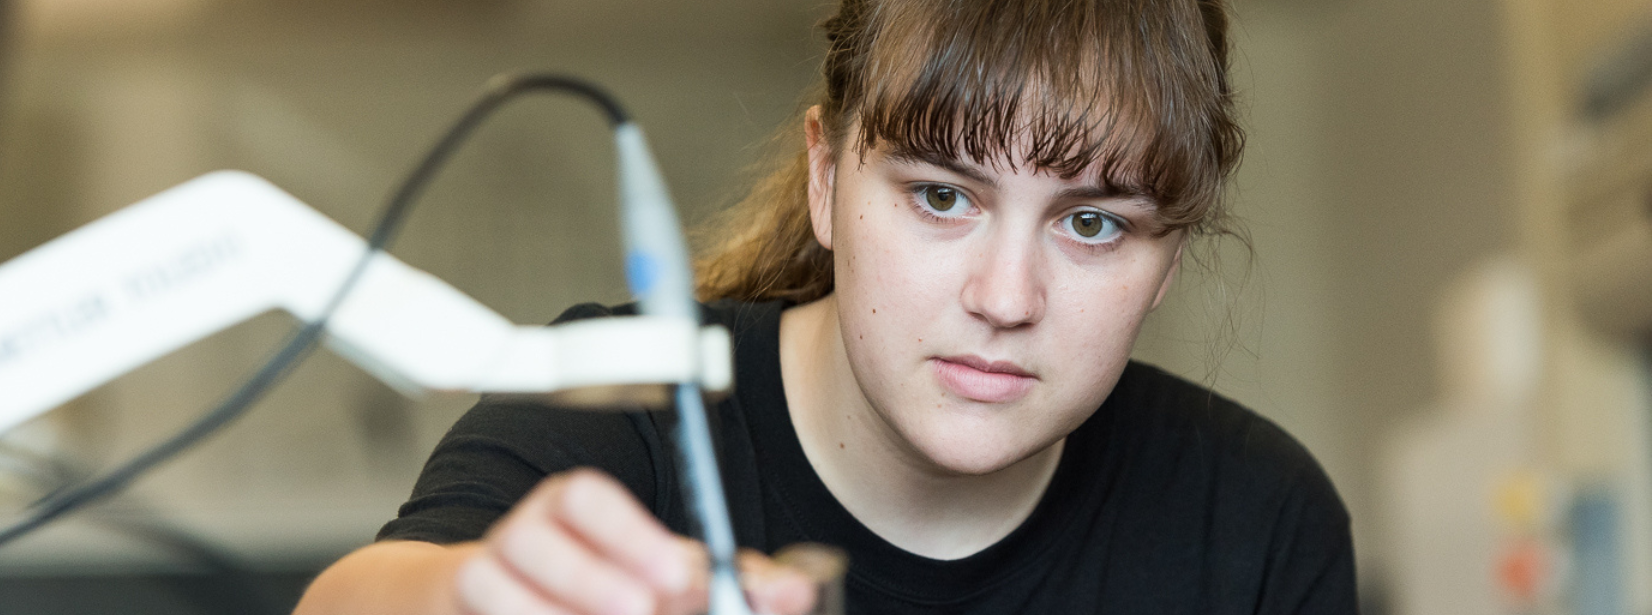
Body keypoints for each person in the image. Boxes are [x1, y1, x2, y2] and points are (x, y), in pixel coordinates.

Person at [295, 0, 1357, 613]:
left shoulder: (1255, 523)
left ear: (1168, 257)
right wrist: (473, 598)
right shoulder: (623, 397)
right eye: (943, 197)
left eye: (1093, 225)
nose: (1004, 298)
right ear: (826, 179)